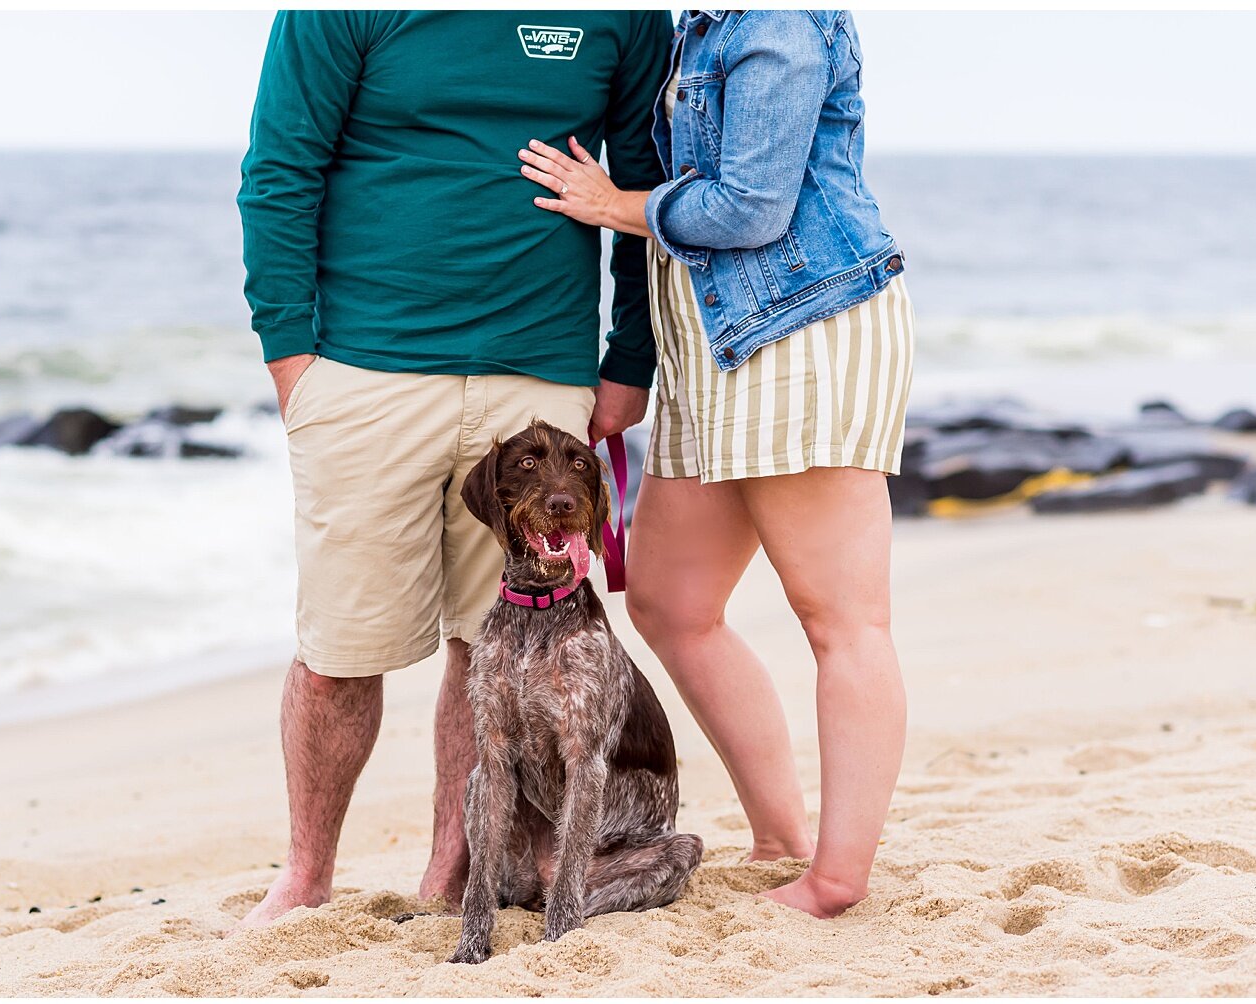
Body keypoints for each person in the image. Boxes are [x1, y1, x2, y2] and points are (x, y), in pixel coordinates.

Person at [236, 10, 671, 929]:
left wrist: (629, 360)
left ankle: (446, 879)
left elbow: (641, 182)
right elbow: (280, 172)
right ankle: (306, 875)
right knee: (339, 652)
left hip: (540, 377)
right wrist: (291, 361)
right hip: (368, 368)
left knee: (496, 649)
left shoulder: (626, 16)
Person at [516, 9, 913, 919]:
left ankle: (837, 880)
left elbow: (752, 205)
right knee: (669, 601)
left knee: (841, 620)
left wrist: (614, 204)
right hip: (712, 341)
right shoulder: (699, 21)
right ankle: (781, 836)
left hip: (800, 332)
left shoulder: (777, 21)